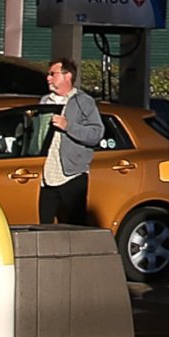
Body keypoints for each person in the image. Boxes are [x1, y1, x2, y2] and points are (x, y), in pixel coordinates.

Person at [37, 59, 106, 226]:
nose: (48, 78)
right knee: (44, 225)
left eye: (53, 74)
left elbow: (96, 133)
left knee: (75, 225)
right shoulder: (45, 101)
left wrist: (68, 126)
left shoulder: (83, 101)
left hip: (72, 174)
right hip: (47, 175)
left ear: (67, 76)